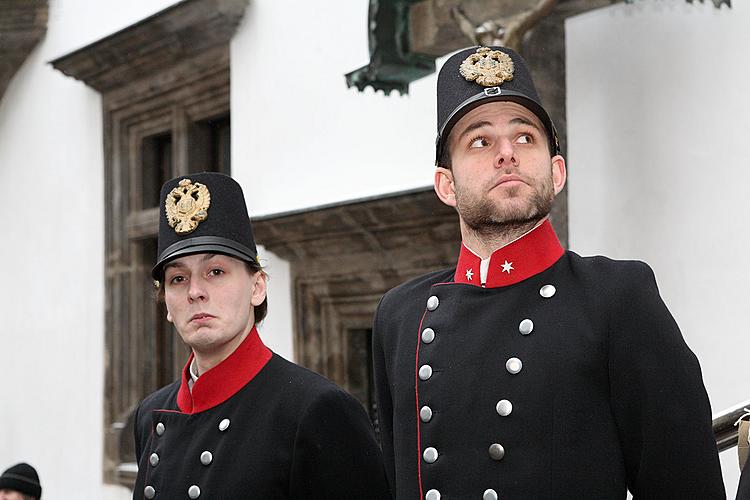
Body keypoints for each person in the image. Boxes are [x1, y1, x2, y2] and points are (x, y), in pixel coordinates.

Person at [372, 46, 725, 499]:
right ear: (446, 184)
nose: (506, 154)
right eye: (479, 141)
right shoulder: (401, 315)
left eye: (525, 138)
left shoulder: (617, 297)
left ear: (557, 172)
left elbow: (685, 486)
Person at [133, 172, 391, 499]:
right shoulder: (150, 414)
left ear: (257, 287)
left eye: (216, 272)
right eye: (178, 279)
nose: (195, 292)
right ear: (167, 305)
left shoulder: (317, 410)